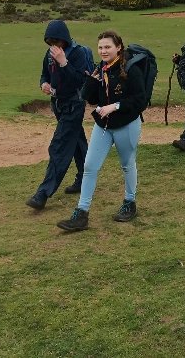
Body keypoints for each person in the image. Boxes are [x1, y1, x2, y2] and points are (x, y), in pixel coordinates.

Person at [57, 30, 146, 232]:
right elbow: (89, 98)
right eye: (100, 47)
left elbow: (140, 100)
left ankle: (129, 203)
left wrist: (115, 106)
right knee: (89, 166)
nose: (103, 51)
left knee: (127, 164)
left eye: (108, 47)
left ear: (118, 47)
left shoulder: (131, 69)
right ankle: (81, 213)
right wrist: (92, 80)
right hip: (103, 126)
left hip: (127, 124)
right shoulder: (101, 69)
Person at [26, 20, 89, 211]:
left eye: (57, 41)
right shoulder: (50, 53)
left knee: (59, 147)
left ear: (65, 39)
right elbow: (45, 74)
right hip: (58, 105)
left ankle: (43, 193)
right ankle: (85, 178)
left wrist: (64, 63)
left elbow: (80, 80)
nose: (54, 46)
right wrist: (44, 84)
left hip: (74, 105)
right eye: (50, 42)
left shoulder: (77, 53)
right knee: (77, 142)